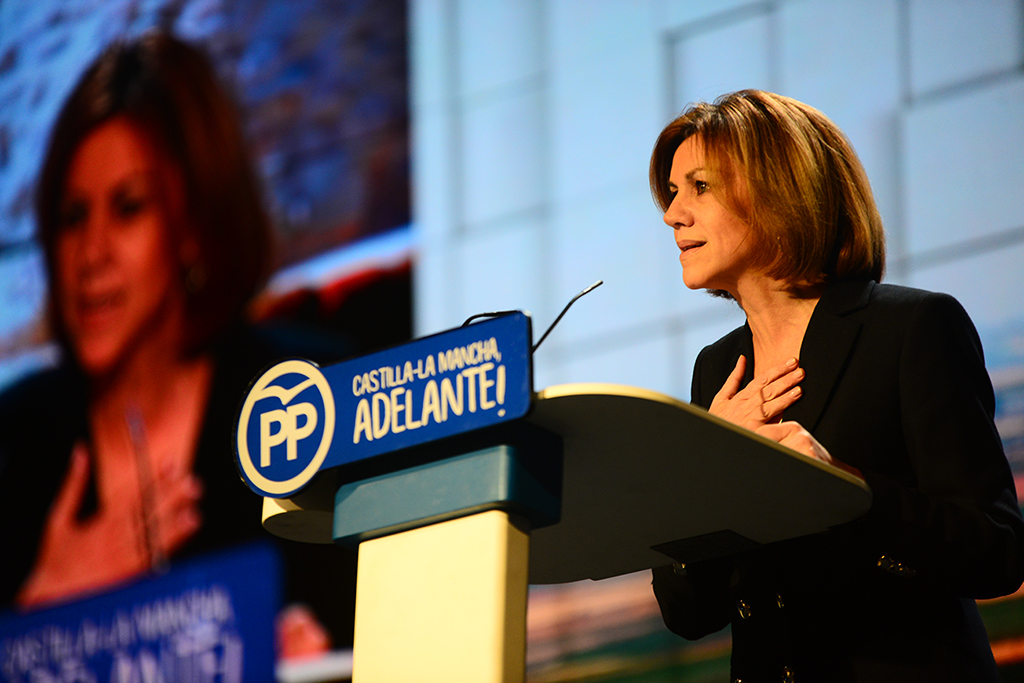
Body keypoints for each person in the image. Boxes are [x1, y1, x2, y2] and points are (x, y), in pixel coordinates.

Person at [648, 89, 1024, 682]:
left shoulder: (911, 328)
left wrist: (847, 491)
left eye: (699, 186)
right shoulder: (715, 371)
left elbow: (997, 553)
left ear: (779, 189)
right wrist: (706, 481)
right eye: (671, 194)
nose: (672, 213)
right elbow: (688, 613)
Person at [0, 32, 356, 657]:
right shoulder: (12, 444)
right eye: (72, 217)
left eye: (129, 208)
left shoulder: (309, 404)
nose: (91, 255)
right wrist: (47, 607)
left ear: (194, 229)